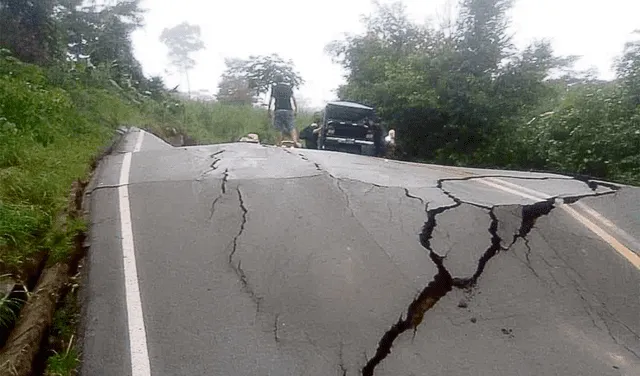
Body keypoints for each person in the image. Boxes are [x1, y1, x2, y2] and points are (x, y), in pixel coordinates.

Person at [267, 76, 301, 147]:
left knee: (278, 128)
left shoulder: (275, 88)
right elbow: (293, 99)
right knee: (291, 126)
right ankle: (295, 141)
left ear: (276, 81)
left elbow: (271, 100)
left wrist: (269, 110)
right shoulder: (288, 88)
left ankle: (279, 143)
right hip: (288, 109)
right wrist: (296, 109)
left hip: (278, 109)